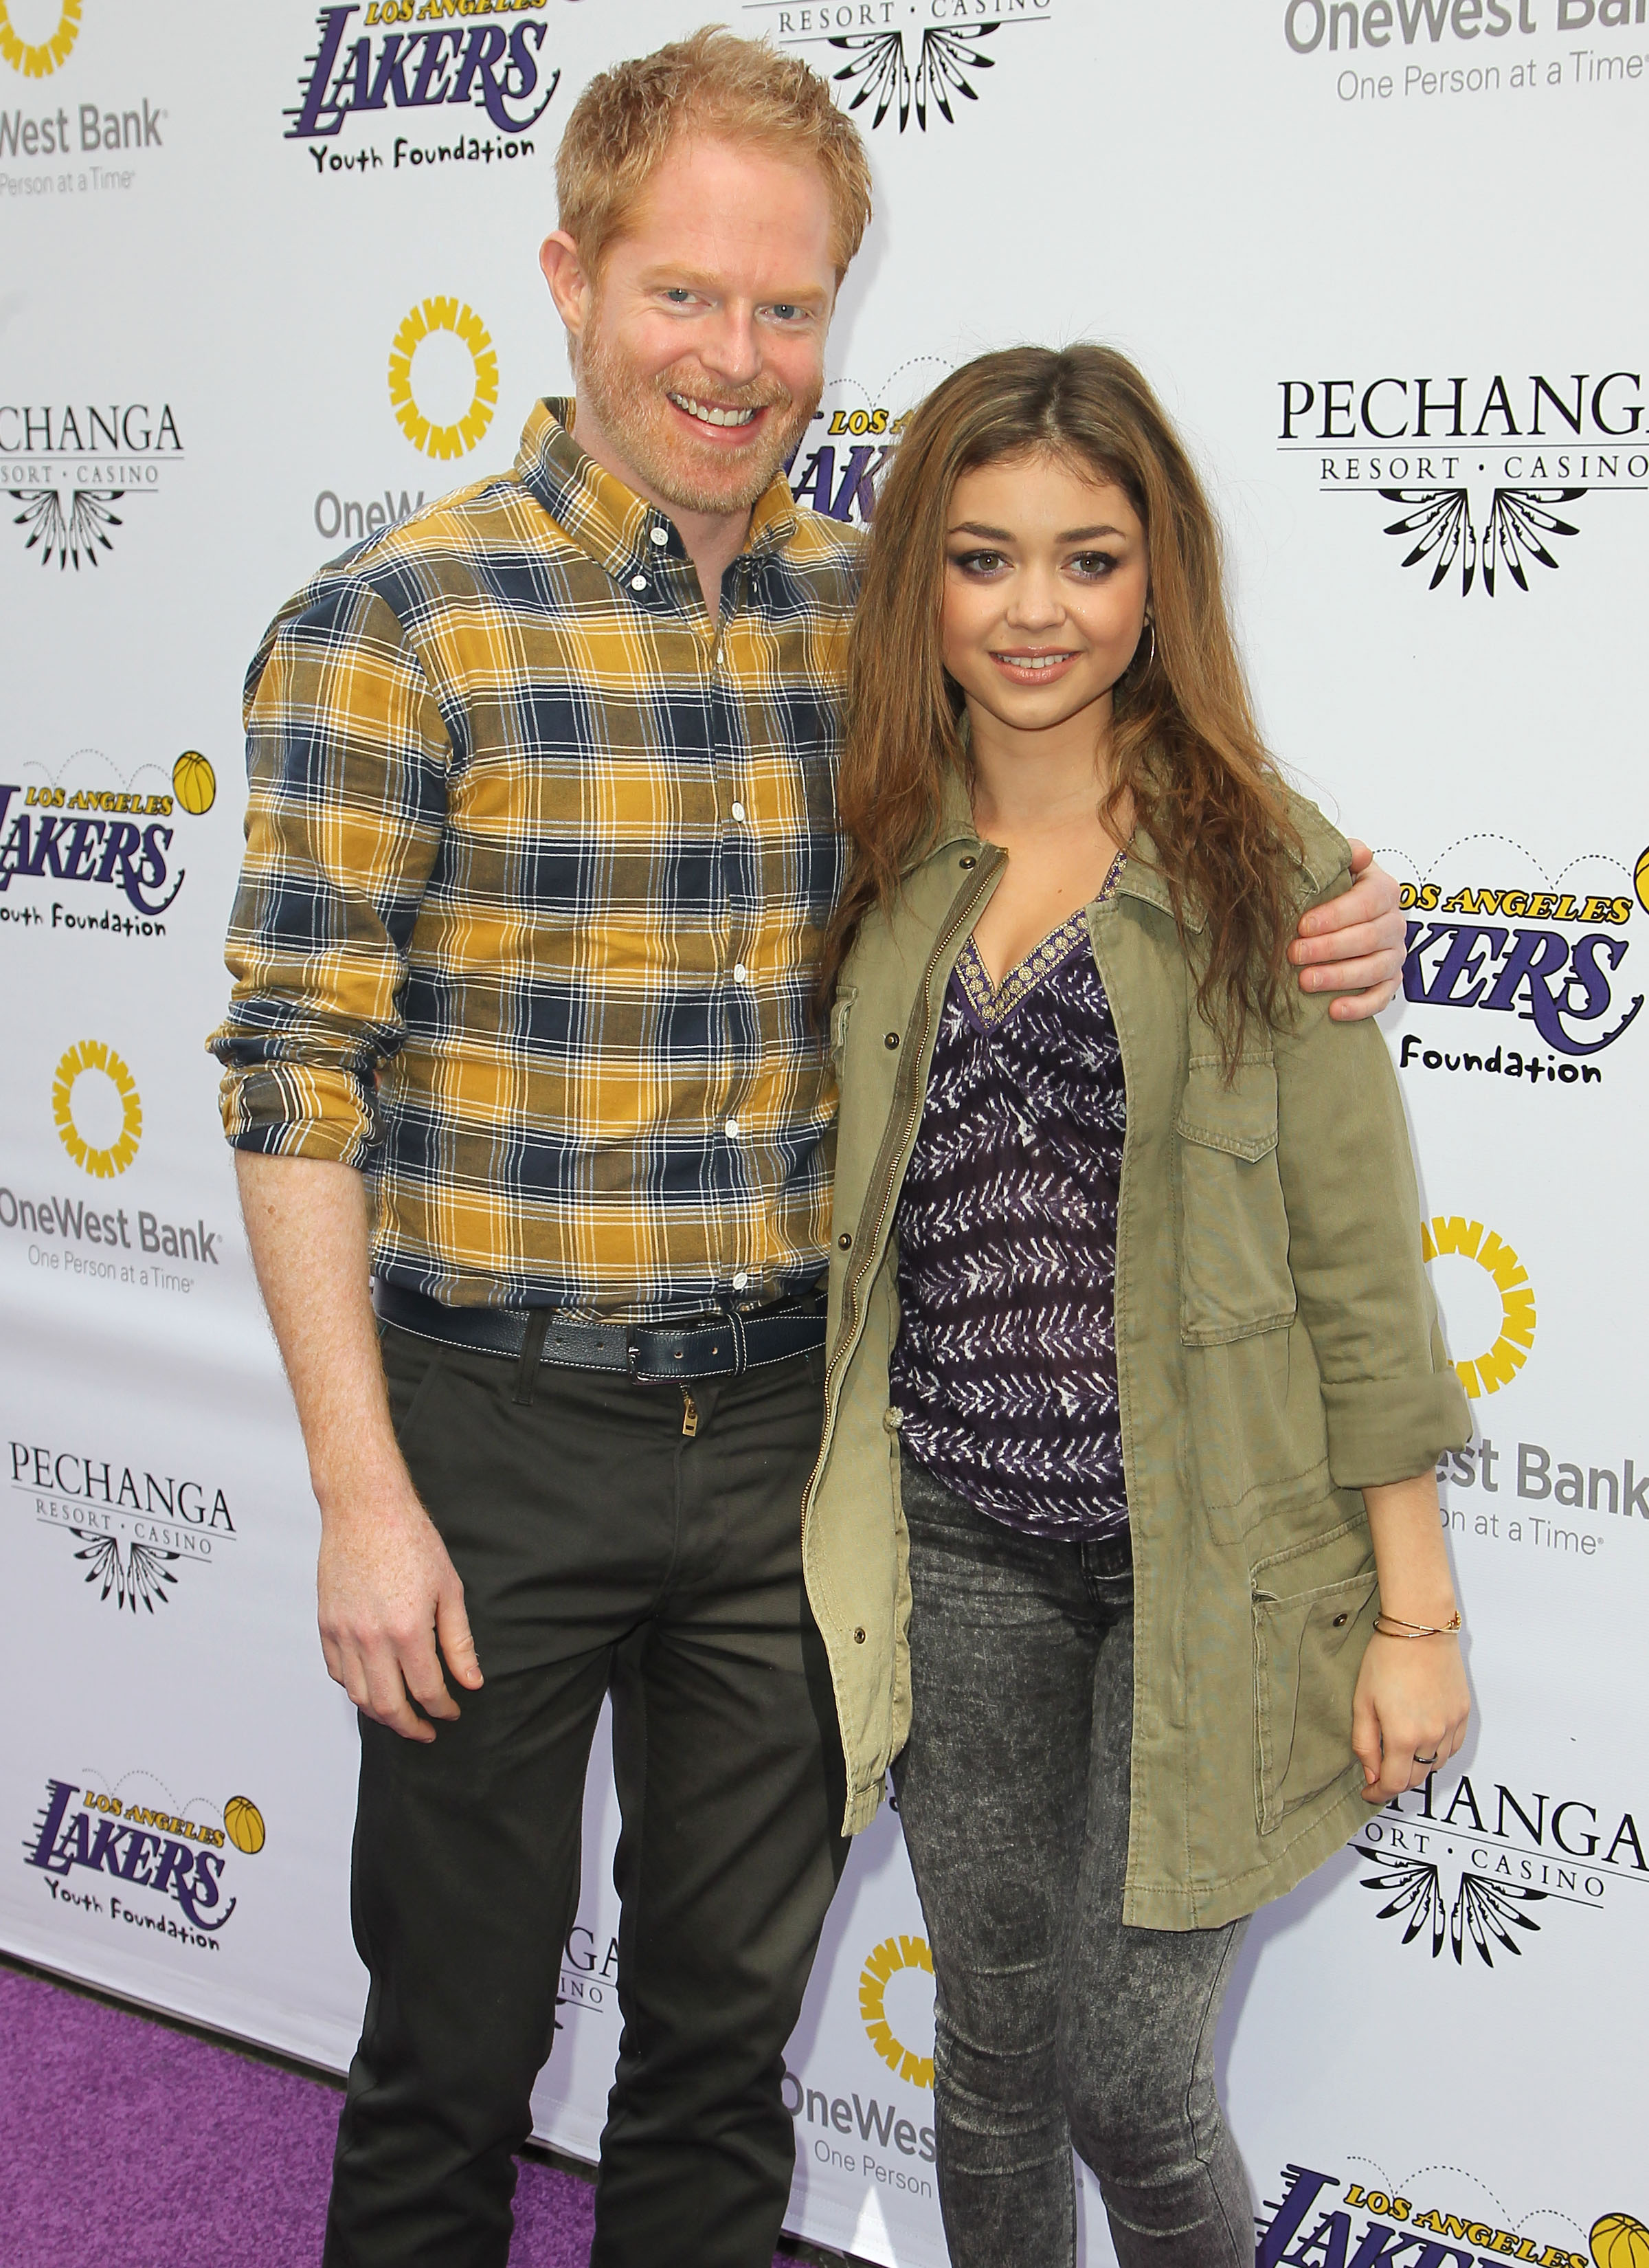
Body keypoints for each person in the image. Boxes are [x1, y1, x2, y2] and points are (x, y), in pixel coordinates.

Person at [208, 30, 1411, 2268]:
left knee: (718, 2050)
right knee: (453, 2052)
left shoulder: (873, 625)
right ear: (569, 280)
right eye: (685, 295)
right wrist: (364, 1496)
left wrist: (1344, 890)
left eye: (788, 308)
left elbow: (1117, 750)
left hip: (794, 1437)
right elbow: (292, 1066)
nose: (738, 357)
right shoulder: (394, 627)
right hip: (485, 1435)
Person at [805, 343, 1473, 2268]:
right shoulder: (869, 842)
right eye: (984, 556)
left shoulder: (1273, 867)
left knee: (1128, 2072)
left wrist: (1413, 1611)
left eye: (1089, 561)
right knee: (996, 2048)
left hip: (1219, 1563)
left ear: (1157, 577)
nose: (1035, 611)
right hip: (956, 1542)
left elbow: (1360, 1263)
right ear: (916, 576)